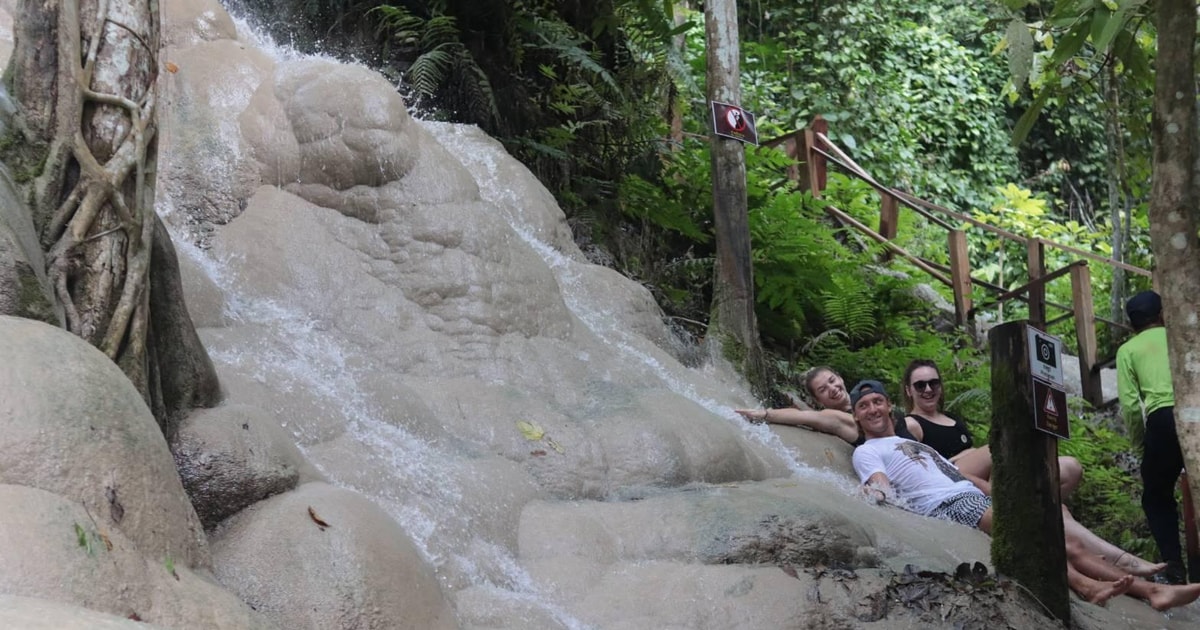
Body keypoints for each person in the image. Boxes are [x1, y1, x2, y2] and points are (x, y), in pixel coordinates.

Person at [848, 379, 1200, 610]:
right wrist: (876, 495)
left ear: (889, 406)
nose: (873, 409)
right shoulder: (866, 451)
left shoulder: (909, 442)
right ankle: (1090, 586)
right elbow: (881, 482)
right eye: (864, 406)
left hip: (967, 494)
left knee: (1069, 543)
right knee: (1041, 537)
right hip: (949, 505)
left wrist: (999, 495)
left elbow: (955, 473)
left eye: (878, 401)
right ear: (856, 416)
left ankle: (1151, 591)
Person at [899, 359, 1082, 499]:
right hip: (950, 477)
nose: (928, 389)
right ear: (909, 391)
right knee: (996, 446)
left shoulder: (953, 419)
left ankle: (1036, 507)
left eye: (934, 383)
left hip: (985, 472)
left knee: (1070, 468)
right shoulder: (912, 423)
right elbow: (915, 468)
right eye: (920, 385)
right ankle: (1003, 503)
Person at [1117, 290, 1186, 584]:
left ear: (1132, 324)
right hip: (1193, 407)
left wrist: (1140, 442)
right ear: (1162, 314)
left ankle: (1175, 566)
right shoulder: (1184, 337)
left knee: (1156, 496)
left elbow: (1131, 406)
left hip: (1163, 420)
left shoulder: (1128, 351)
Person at [734, 366, 914, 445]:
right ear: (818, 401)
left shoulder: (871, 399)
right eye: (823, 389)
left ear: (840, 378)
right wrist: (765, 414)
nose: (833, 389)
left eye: (832, 380)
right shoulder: (835, 418)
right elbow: (806, 416)